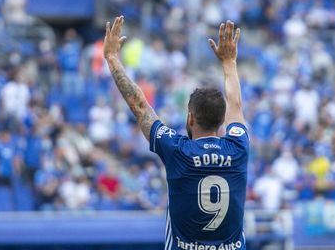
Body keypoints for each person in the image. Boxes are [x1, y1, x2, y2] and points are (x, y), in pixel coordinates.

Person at [103, 16, 248, 250]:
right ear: (223, 122)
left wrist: (111, 59)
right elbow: (236, 105)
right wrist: (229, 62)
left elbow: (139, 106)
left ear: (190, 118)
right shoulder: (239, 147)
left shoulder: (177, 150)